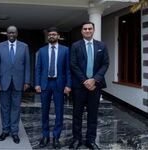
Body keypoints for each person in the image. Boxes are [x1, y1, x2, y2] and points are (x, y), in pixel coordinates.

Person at [69, 22, 109, 150]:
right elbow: (73, 65)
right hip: (80, 86)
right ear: (81, 31)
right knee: (77, 114)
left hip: (95, 86)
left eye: (90, 28)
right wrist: (86, 81)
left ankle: (91, 140)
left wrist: (94, 80)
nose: (87, 30)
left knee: (93, 114)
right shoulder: (75, 46)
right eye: (85, 29)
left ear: (93, 30)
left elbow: (105, 64)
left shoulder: (102, 46)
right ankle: (77, 139)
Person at [34, 27, 71, 149]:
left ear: (58, 36)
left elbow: (68, 69)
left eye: (54, 34)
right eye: (49, 34)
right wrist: (37, 84)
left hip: (59, 84)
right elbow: (38, 68)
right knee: (44, 111)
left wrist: (68, 85)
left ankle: (56, 137)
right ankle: (45, 136)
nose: (51, 36)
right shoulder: (42, 50)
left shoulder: (65, 50)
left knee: (59, 111)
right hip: (45, 84)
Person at [0, 25, 30, 144]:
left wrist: (26, 81)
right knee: (4, 108)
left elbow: (27, 65)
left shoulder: (24, 47)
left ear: (17, 33)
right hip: (4, 82)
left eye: (13, 33)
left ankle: (14, 132)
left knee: (16, 108)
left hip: (19, 82)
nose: (11, 35)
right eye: (9, 33)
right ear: (6, 33)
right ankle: (5, 130)